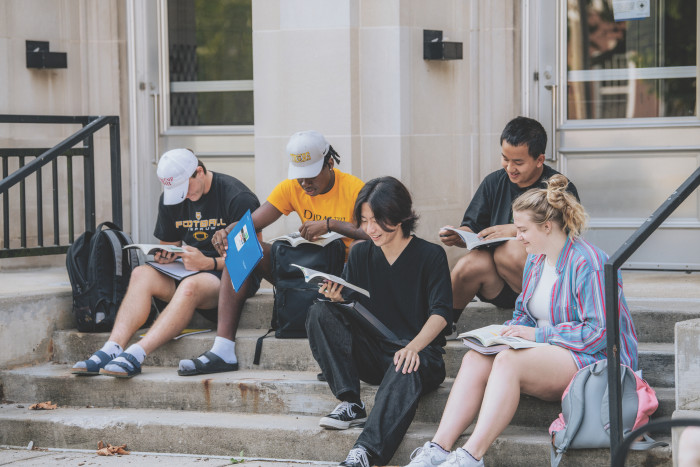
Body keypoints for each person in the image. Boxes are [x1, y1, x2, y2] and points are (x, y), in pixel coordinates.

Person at [405, 174, 638, 467]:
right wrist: (505, 333)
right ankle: (438, 448)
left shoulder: (587, 263)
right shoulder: (537, 260)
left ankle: (470, 456)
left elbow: (599, 333)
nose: (518, 237)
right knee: (477, 357)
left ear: (547, 226)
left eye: (523, 229)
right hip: (549, 353)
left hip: (594, 361)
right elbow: (525, 314)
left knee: (507, 362)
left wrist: (536, 337)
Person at [177, 130, 369, 375]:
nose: (305, 184)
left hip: (342, 274)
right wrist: (228, 230)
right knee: (242, 246)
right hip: (306, 269)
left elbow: (375, 233)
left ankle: (344, 349)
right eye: (300, 177)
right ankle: (223, 349)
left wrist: (330, 225)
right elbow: (251, 224)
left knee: (361, 250)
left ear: (329, 164)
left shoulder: (354, 188)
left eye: (310, 176)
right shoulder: (292, 188)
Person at [71, 148, 260, 378]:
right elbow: (168, 244)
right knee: (142, 273)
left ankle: (137, 354)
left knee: (192, 286)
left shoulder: (236, 196)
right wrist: (166, 255)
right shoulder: (173, 198)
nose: (183, 196)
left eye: (186, 188)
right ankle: (111, 348)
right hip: (189, 271)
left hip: (229, 278)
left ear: (198, 172)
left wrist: (208, 262)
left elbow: (253, 259)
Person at [308, 176, 452, 467]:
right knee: (320, 311)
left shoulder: (430, 255)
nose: (370, 229)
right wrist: (338, 299)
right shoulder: (361, 252)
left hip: (420, 356)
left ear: (400, 216)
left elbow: (442, 313)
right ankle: (351, 402)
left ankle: (365, 454)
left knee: (403, 361)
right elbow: (356, 308)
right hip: (376, 353)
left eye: (378, 219)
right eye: (364, 220)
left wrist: (413, 347)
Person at [439, 117, 579, 327]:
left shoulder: (558, 188)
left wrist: (515, 230)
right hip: (497, 284)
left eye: (518, 162)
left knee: (508, 251)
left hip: (547, 287)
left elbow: (567, 239)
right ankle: (444, 326)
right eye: (505, 158)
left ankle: (543, 318)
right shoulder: (493, 182)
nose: (510, 167)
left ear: (540, 160)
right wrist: (459, 235)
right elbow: (473, 226)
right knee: (468, 264)